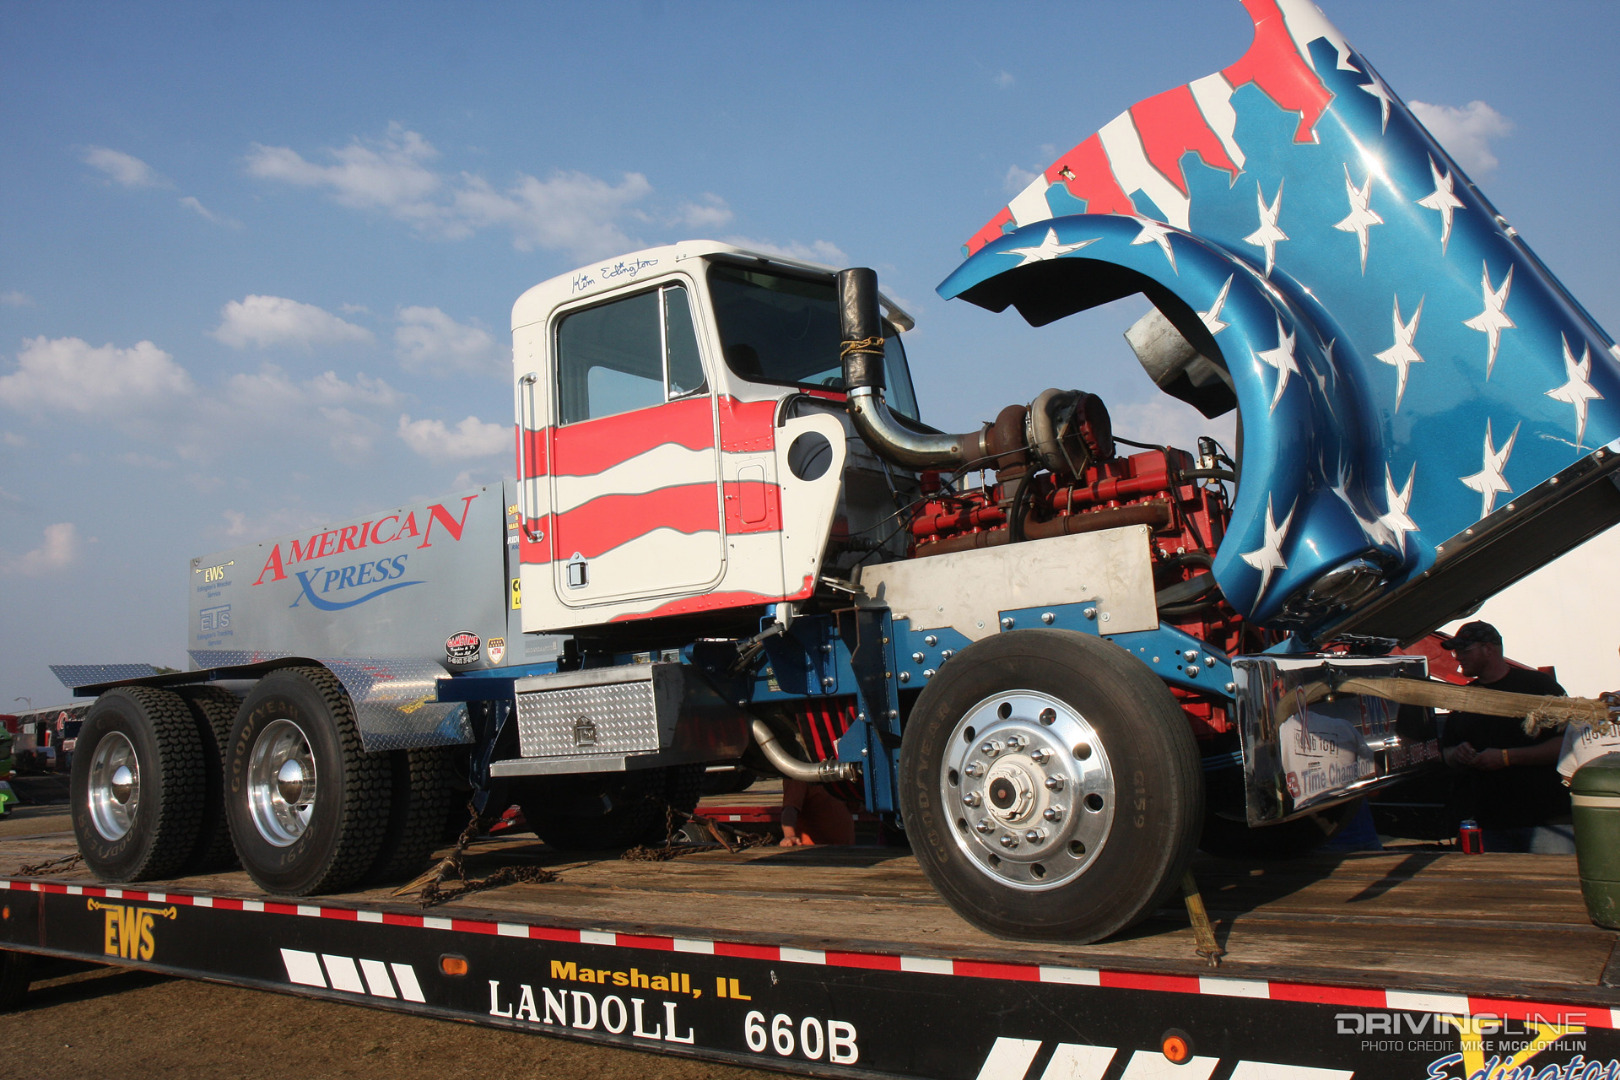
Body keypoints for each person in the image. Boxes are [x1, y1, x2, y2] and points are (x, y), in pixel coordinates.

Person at [1438, 620, 1573, 853]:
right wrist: (1457, 754)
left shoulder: (1537, 685)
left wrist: (1507, 757)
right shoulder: (1465, 697)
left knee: (1557, 888)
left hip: (1546, 822)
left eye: (1464, 650)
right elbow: (1445, 752)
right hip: (1487, 825)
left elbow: (1567, 745)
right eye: (1455, 650)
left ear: (1488, 649)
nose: (1457, 657)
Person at [777, 778, 856, 847]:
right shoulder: (798, 774)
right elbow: (789, 809)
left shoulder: (834, 774)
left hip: (845, 849)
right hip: (815, 851)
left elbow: (852, 806)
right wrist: (789, 836)